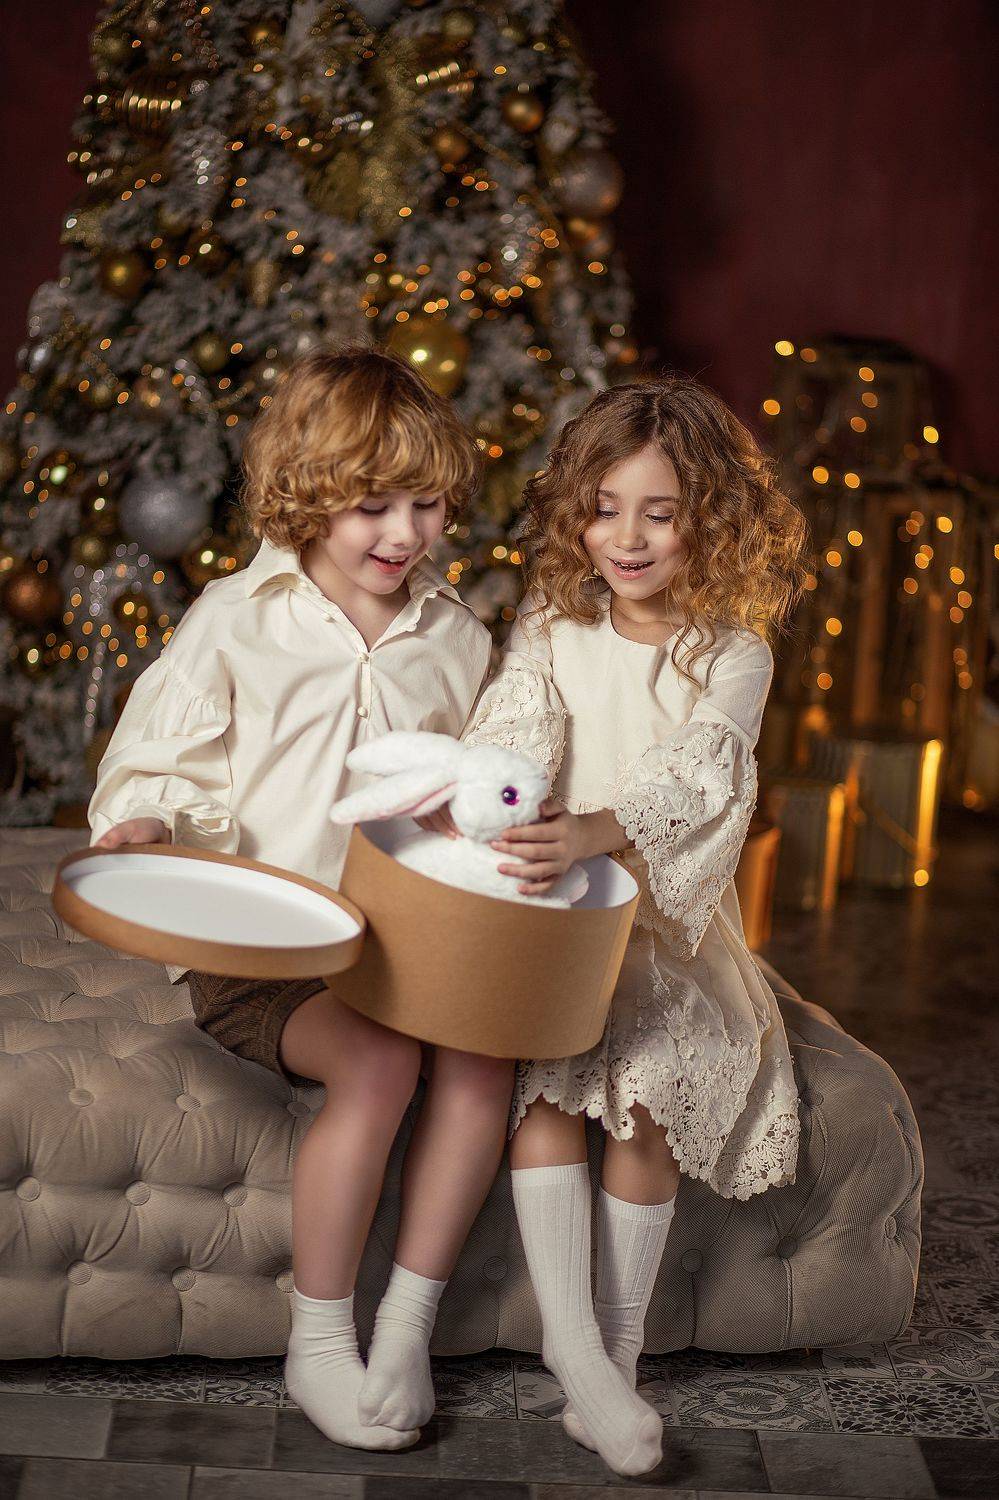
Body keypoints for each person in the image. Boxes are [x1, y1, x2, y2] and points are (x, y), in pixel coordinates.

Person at [88, 344, 515, 1452]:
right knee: (380, 1062)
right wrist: (145, 824)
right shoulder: (235, 617)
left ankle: (406, 1328)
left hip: (407, 941)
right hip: (262, 948)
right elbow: (155, 762)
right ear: (309, 493)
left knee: (488, 1056)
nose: (404, 533)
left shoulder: (458, 637)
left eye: (426, 504)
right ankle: (320, 1340)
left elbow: (478, 787)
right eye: (373, 505)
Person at [460, 375, 809, 1476]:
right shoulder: (552, 624)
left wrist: (597, 830)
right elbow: (515, 730)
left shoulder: (732, 652)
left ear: (711, 518)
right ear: (576, 510)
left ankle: (610, 1360)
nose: (627, 537)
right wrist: (515, 809)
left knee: (647, 1093)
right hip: (555, 910)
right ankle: (577, 1354)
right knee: (546, 1090)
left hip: (663, 921)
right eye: (606, 509)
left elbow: (698, 774)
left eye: (660, 514)